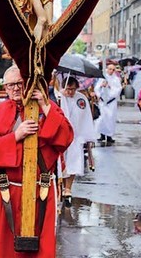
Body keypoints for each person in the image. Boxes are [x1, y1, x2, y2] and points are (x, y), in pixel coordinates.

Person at [0, 66, 73, 257]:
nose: (15, 89)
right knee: (5, 248)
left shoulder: (46, 108)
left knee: (40, 247)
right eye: (10, 85)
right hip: (8, 190)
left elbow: (66, 137)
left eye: (20, 83)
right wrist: (15, 137)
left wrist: (46, 106)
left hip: (41, 190)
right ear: (5, 87)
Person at [59, 77, 96, 205]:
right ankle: (61, 187)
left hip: (76, 136)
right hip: (61, 136)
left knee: (73, 163)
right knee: (61, 163)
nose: (70, 92)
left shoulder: (81, 99)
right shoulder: (58, 97)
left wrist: (87, 136)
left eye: (73, 89)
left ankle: (68, 188)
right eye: (68, 89)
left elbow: (85, 117)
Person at [95, 62, 122, 145]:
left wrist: (110, 87)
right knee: (103, 118)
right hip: (103, 101)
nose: (111, 71)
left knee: (110, 118)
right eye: (110, 69)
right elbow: (96, 88)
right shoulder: (102, 78)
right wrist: (101, 87)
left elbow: (118, 89)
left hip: (111, 102)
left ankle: (109, 136)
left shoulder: (116, 79)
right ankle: (102, 135)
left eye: (113, 69)